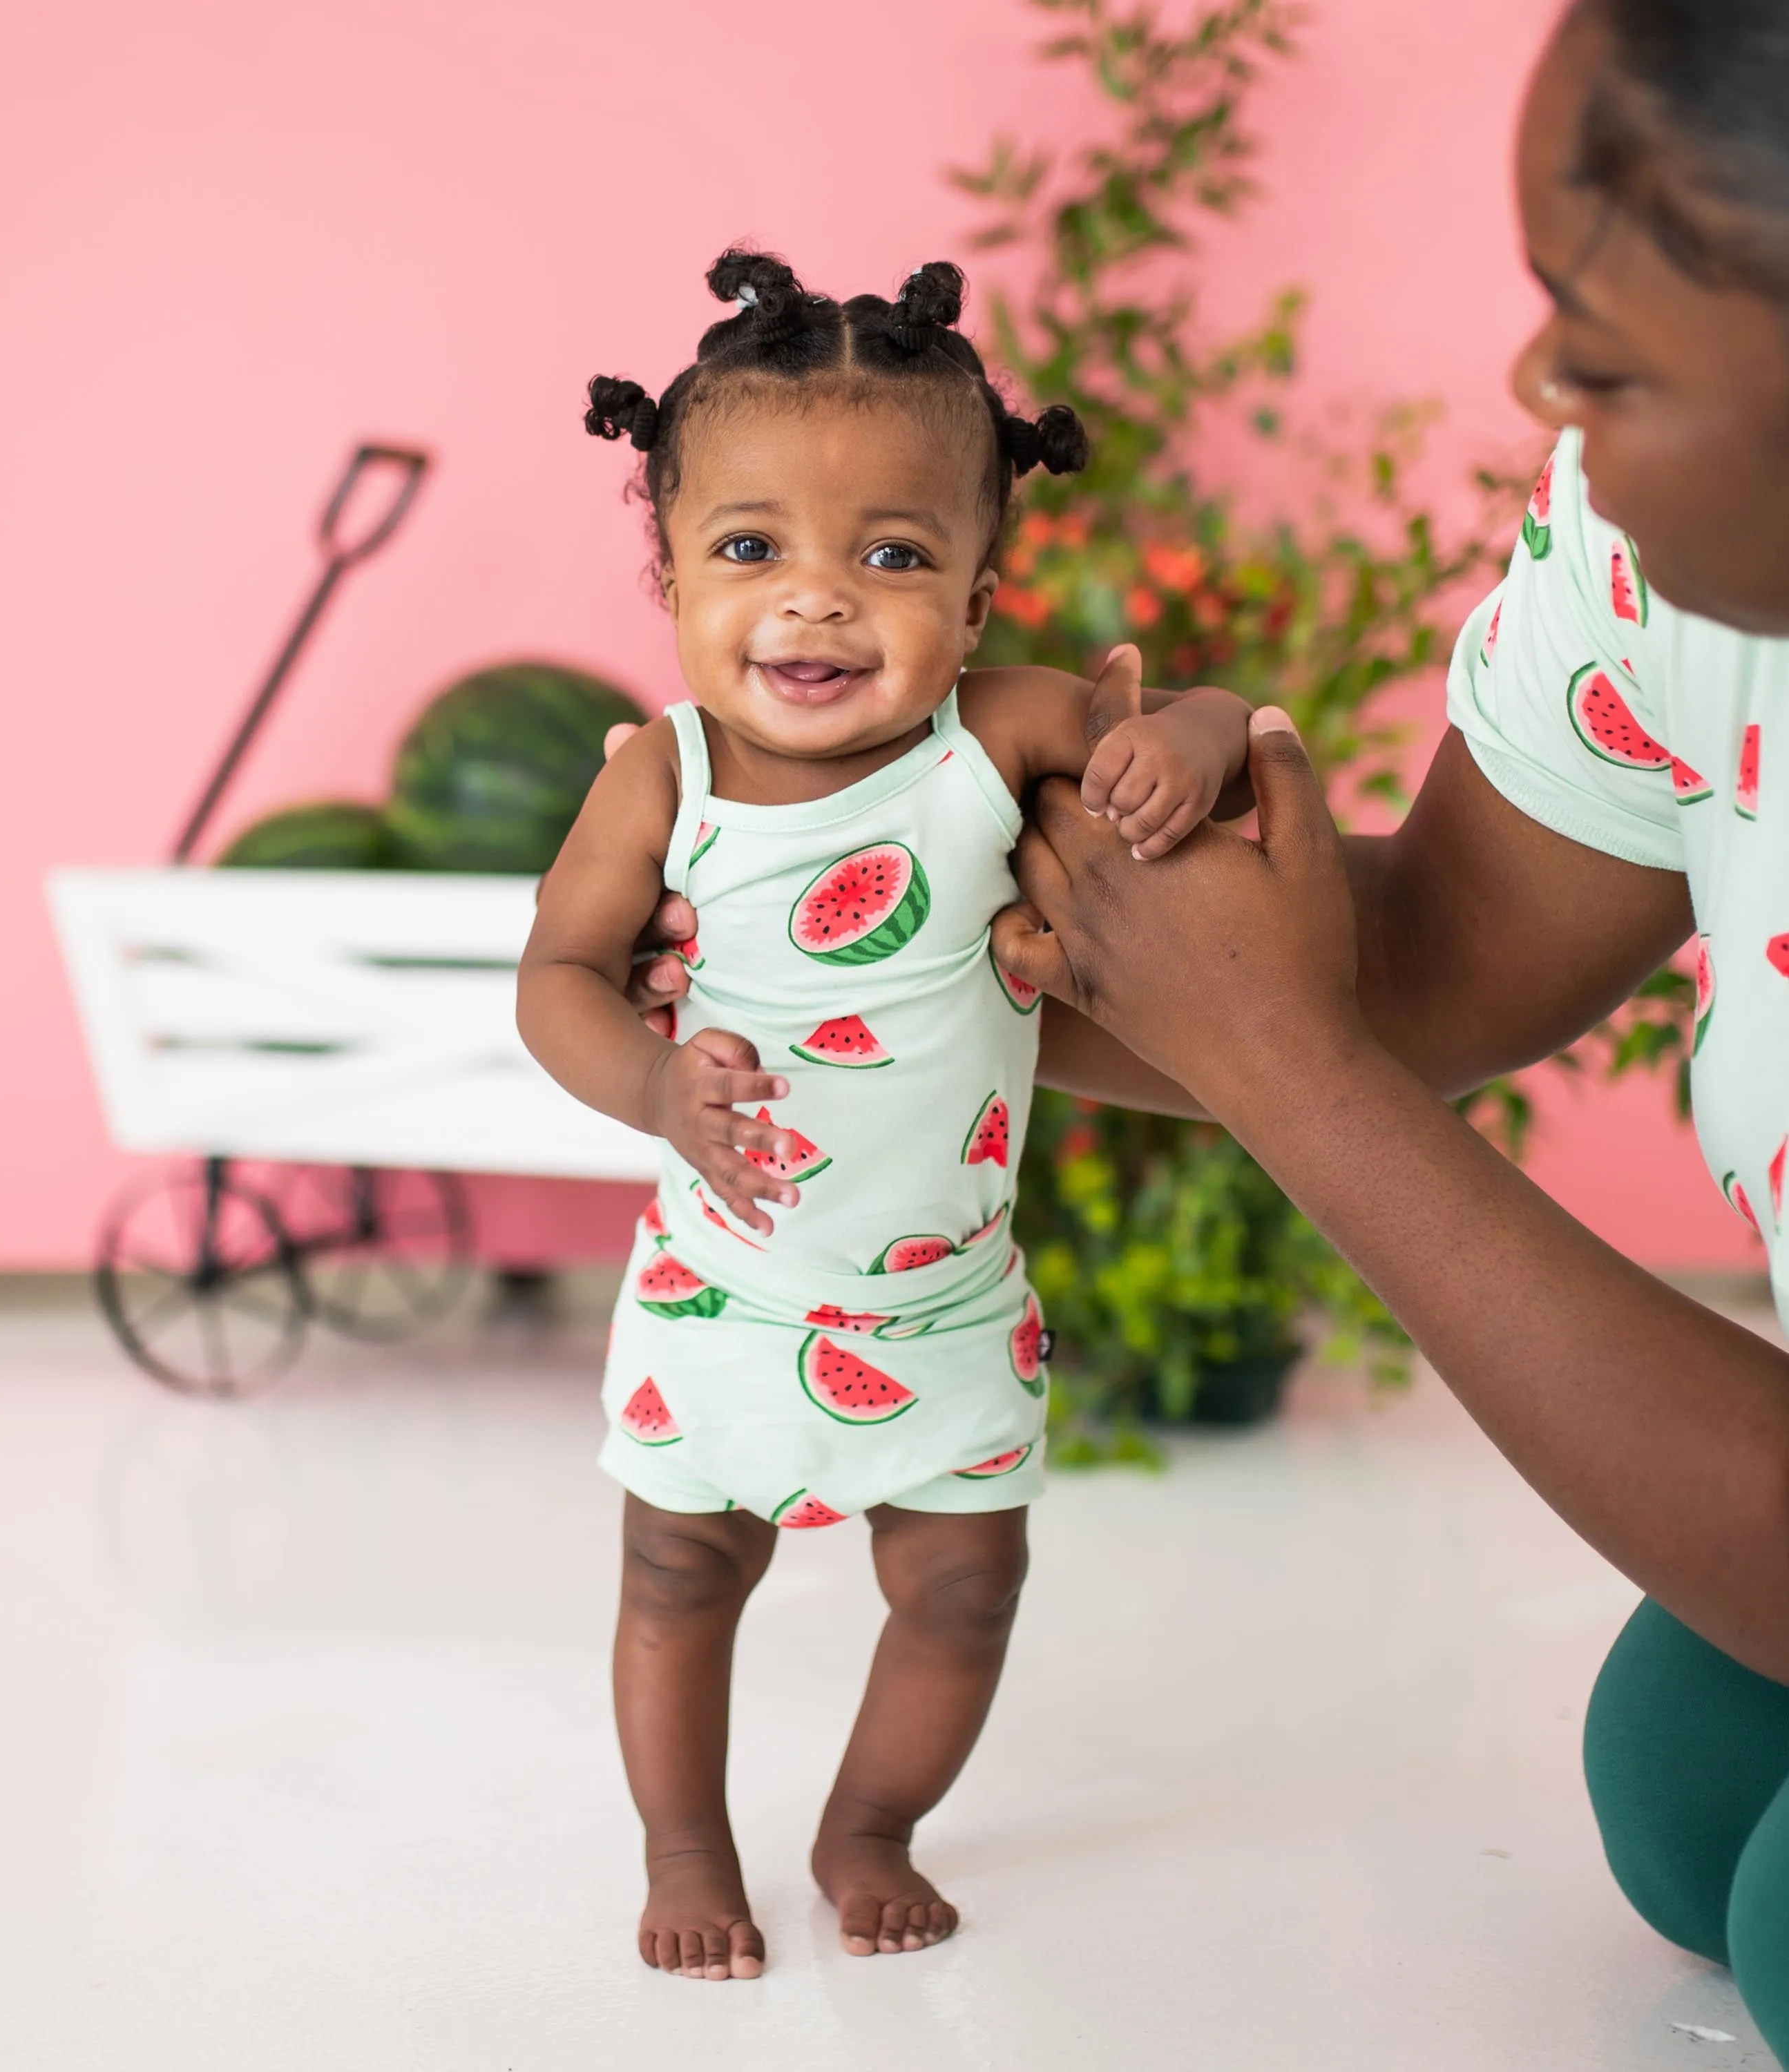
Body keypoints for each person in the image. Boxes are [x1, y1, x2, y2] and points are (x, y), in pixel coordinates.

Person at [622, 0, 1789, 2046]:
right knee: (1687, 1806)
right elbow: (1426, 957)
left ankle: (858, 1835)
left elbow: (1291, 1005)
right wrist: (894, 993)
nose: (1537, 383)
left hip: (925, 1358)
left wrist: (1276, 1052)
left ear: (982, 585)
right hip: (767, 1312)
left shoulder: (993, 709)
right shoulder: (1662, 570)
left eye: (1605, 344)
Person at [517, 250, 1254, 1982]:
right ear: (674, 574)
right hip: (722, 1294)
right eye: (751, 547)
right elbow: (556, 973)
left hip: (944, 1308)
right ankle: (687, 1846)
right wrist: (650, 1088)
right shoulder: (661, 777)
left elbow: (1182, 717)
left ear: (983, 603)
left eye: (895, 556)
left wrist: (1203, 740)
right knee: (677, 1582)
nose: (820, 603)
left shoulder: (990, 744)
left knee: (965, 1593)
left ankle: (870, 1827)